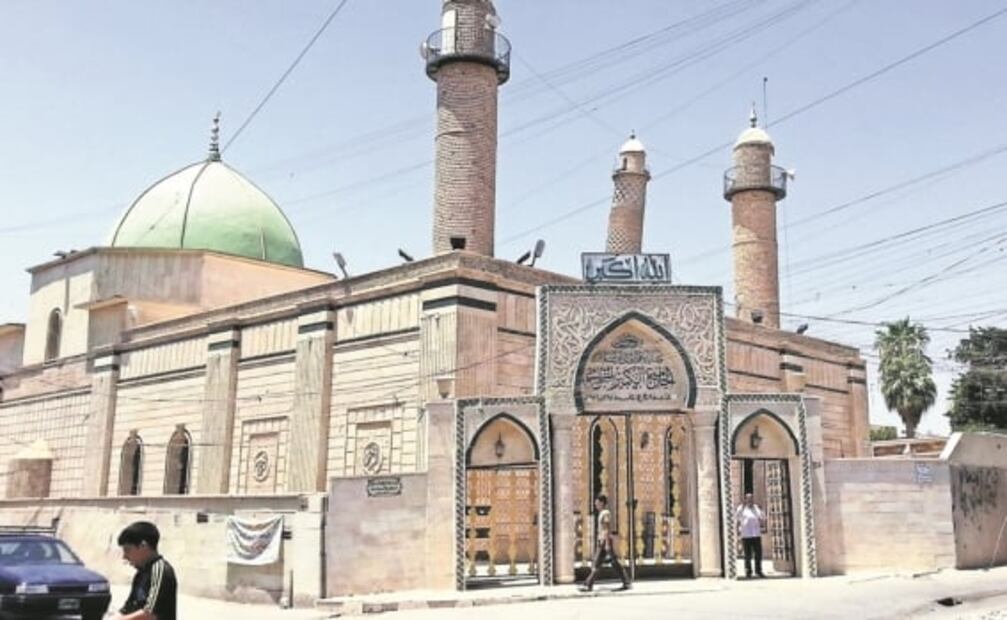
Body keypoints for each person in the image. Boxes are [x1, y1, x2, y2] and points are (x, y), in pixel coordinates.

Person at [111, 521, 177, 620]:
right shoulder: (140, 574)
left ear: (143, 546)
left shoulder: (160, 570)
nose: (125, 557)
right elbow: (127, 608)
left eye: (127, 550)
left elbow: (150, 614)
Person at [579, 494, 631, 592]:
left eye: (597, 502)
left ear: (602, 503)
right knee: (613, 563)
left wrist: (607, 543)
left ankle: (588, 585)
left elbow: (606, 528)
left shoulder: (605, 513)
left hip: (604, 542)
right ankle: (626, 582)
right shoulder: (602, 513)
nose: (595, 504)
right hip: (603, 541)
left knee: (597, 564)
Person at [736, 492, 766, 578]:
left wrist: (762, 526)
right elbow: (737, 520)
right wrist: (737, 532)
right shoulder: (741, 509)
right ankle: (748, 571)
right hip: (746, 535)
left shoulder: (756, 508)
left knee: (758, 554)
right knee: (747, 555)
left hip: (756, 534)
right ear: (745, 499)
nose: (750, 500)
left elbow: (762, 518)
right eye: (748, 498)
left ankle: (758, 570)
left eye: (751, 498)